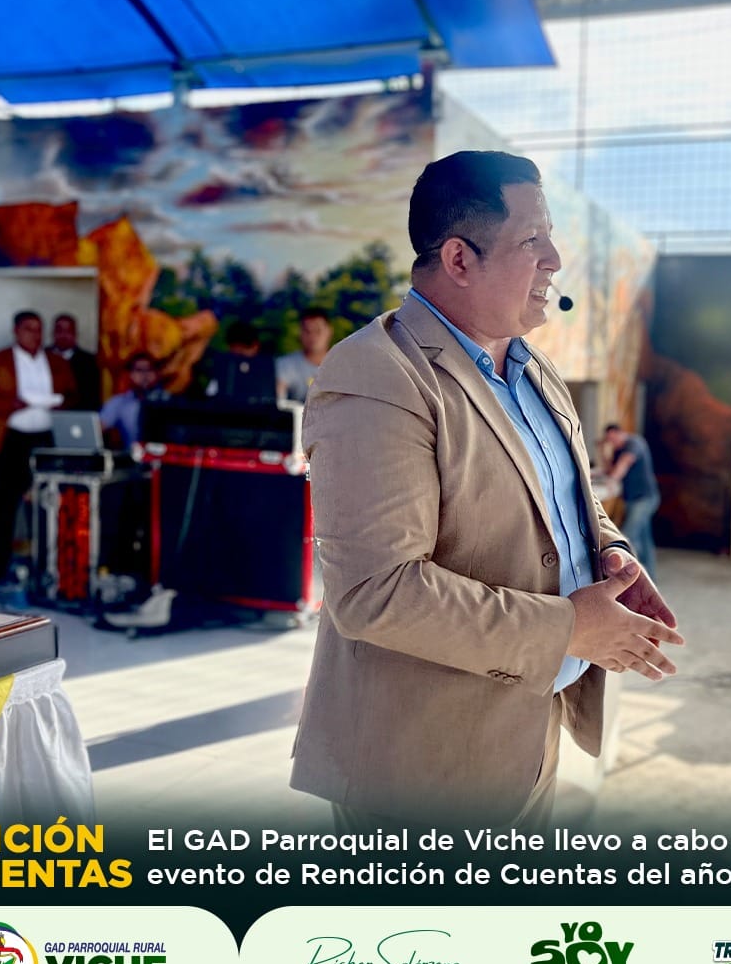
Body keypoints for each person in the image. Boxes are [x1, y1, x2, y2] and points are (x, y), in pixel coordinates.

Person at [290, 150, 683, 831]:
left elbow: (564, 495)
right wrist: (570, 628)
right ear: (459, 259)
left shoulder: (534, 370)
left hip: (526, 737)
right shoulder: (377, 374)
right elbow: (375, 591)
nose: (554, 259)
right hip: (421, 768)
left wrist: (609, 553)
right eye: (533, 241)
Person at [0, 311, 77, 586]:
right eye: (29, 329)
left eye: (39, 329)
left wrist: (60, 403)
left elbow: (72, 394)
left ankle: (46, 565)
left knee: (46, 503)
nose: (35, 334)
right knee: (5, 505)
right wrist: (10, 404)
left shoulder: (55, 361)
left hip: (46, 440)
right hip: (12, 438)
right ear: (16, 331)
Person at [602, 423, 661, 580]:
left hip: (644, 499)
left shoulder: (634, 443)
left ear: (620, 433)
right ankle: (649, 578)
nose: (612, 442)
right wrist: (602, 450)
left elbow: (624, 463)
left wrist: (612, 480)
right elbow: (610, 469)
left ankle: (628, 579)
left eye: (613, 439)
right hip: (633, 500)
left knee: (628, 537)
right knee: (644, 540)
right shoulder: (619, 449)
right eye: (609, 440)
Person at [99, 352, 161, 448]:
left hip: (166, 455)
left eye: (149, 369)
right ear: (129, 374)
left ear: (157, 373)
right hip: (132, 455)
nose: (145, 374)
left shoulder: (169, 401)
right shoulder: (119, 403)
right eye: (139, 370)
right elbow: (97, 429)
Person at [275, 307, 331, 402]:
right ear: (300, 332)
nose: (312, 336)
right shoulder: (284, 364)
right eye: (307, 331)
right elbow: (279, 398)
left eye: (318, 331)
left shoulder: (344, 365)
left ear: (329, 331)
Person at [49, 313, 101, 410]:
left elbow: (92, 396)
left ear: (75, 334)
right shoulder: (43, 357)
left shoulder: (89, 361)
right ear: (53, 333)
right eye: (59, 330)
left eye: (68, 331)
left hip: (78, 413)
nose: (63, 335)